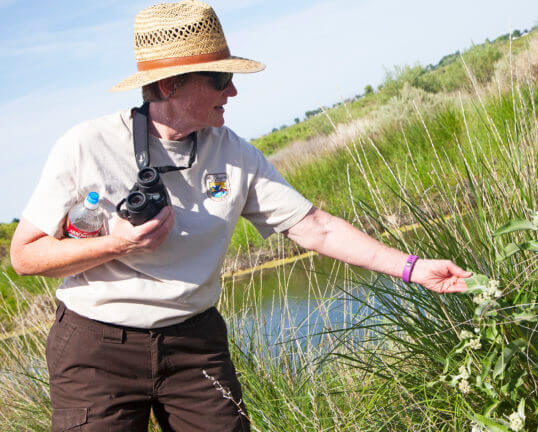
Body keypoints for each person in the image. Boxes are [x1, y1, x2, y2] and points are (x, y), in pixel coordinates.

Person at [9, 1, 471, 431]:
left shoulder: (235, 153)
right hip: (95, 350)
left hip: (194, 344)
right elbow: (25, 257)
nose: (232, 90)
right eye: (218, 79)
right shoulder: (85, 146)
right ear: (169, 85)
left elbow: (316, 227)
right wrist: (119, 244)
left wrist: (412, 269)